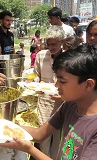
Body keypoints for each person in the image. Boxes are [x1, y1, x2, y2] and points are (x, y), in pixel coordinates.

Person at [0, 43, 97, 160]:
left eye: (62, 81)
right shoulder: (70, 106)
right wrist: (2, 124)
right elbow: (39, 133)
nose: (56, 85)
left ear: (88, 84)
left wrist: (30, 149)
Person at [33, 25, 65, 158]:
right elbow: (36, 75)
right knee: (43, 140)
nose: (51, 47)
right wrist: (35, 85)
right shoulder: (41, 56)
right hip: (44, 103)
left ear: (62, 42)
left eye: (54, 44)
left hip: (62, 103)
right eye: (49, 44)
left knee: (58, 141)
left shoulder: (68, 57)